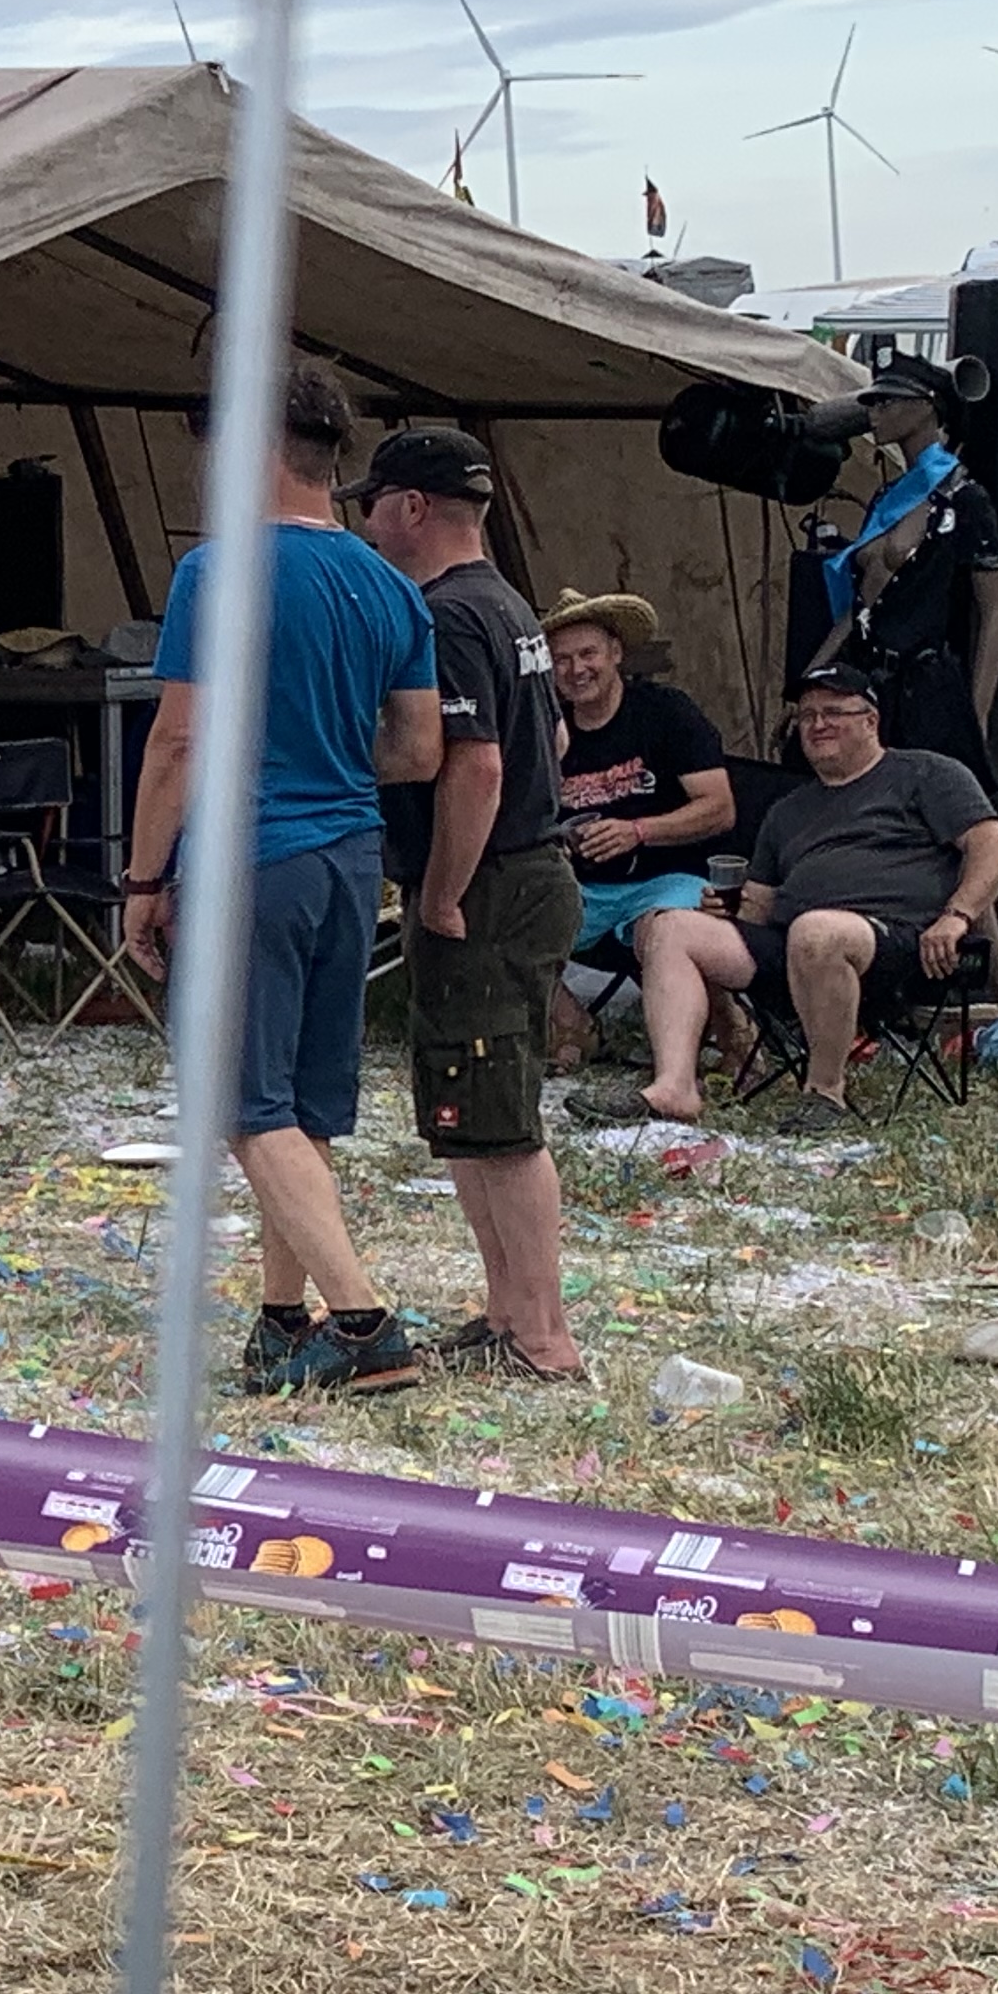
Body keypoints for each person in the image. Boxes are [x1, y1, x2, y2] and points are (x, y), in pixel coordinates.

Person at [122, 364, 445, 1398]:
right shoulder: (390, 586)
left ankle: (365, 1325)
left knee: (241, 1102)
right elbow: (419, 748)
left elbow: (178, 739)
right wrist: (328, 753)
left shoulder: (218, 571)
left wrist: (143, 876)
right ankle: (279, 1320)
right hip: (351, 854)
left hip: (253, 855)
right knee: (300, 1110)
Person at [342, 425, 583, 1380]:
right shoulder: (509, 603)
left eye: (372, 505)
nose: (365, 525)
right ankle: (507, 1312)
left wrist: (440, 891)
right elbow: (552, 741)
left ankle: (543, 1336)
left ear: (411, 508)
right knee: (472, 1112)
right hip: (528, 871)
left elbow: (476, 765)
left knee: (502, 1114)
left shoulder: (444, 614)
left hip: (489, 882)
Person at [633, 663, 998, 1127]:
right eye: (807, 716)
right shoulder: (788, 810)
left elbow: (994, 847)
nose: (818, 724)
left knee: (817, 932)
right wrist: (728, 909)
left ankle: (825, 1092)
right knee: (668, 926)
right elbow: (761, 905)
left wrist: (957, 915)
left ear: (870, 721)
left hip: (904, 943)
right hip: (793, 944)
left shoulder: (927, 773)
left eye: (833, 712)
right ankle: (674, 1088)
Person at [537, 588, 739, 1073]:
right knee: (503, 914)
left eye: (588, 654)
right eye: (562, 659)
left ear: (616, 653)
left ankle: (729, 1029)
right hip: (582, 887)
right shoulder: (547, 728)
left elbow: (721, 808)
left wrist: (639, 831)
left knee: (665, 930)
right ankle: (572, 1023)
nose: (576, 669)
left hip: (669, 877)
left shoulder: (665, 712)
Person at [817, 350, 998, 780]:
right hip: (870, 686)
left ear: (926, 407)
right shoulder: (887, 498)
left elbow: (996, 610)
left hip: (928, 692)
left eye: (887, 401)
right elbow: (861, 605)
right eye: (872, 402)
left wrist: (977, 711)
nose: (874, 413)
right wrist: (814, 678)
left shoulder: (963, 498)